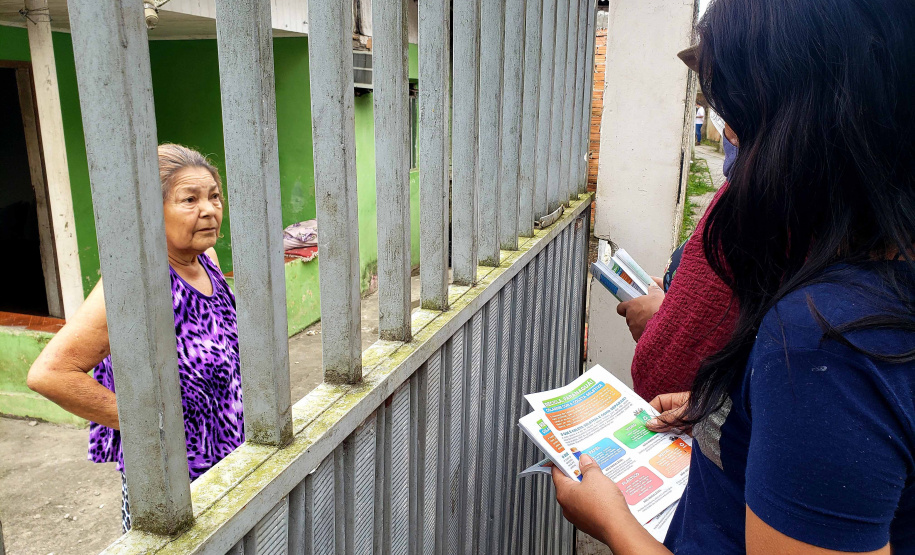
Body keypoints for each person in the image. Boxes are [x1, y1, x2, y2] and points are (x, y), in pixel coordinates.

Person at [554, 0, 915, 553]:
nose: (730, 139)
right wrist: (726, 411)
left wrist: (612, 524)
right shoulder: (875, 293)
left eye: (743, 119)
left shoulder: (822, 345)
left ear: (812, 125)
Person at [27, 144, 244, 532]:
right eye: (189, 199)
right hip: (174, 476)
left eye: (214, 196)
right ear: (149, 210)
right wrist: (154, 425)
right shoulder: (136, 282)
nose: (209, 210)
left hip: (229, 457)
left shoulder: (205, 261)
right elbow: (50, 373)